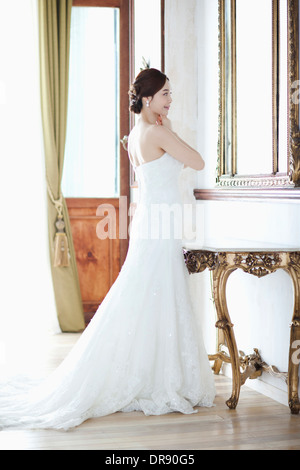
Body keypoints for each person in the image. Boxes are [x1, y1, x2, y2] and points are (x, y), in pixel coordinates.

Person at [0, 68, 215, 430]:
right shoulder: (159, 131)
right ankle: (159, 378)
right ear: (148, 99)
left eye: (170, 94)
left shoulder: (134, 135)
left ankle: (151, 373)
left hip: (152, 220)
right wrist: (171, 128)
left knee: (147, 293)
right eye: (165, 94)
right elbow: (198, 161)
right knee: (154, 292)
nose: (170, 100)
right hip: (159, 224)